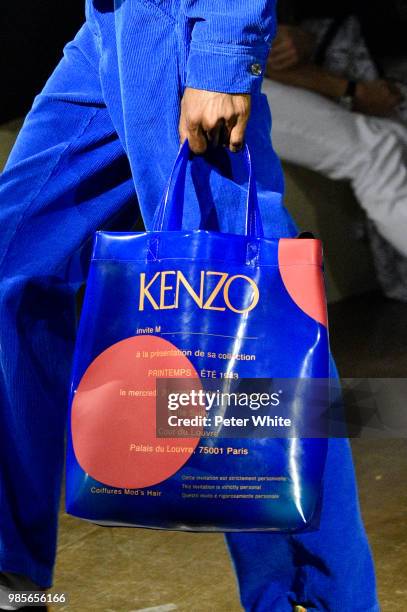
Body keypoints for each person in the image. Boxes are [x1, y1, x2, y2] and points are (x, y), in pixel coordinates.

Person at [0, 1, 379, 610]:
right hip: (107, 23)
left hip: (177, 20)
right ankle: (11, 575)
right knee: (16, 264)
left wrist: (224, 49)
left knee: (250, 323)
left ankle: (318, 599)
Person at [263, 0, 407, 300]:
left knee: (395, 136)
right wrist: (350, 90)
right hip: (206, 84)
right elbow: (241, 56)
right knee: (377, 151)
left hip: (243, 69)